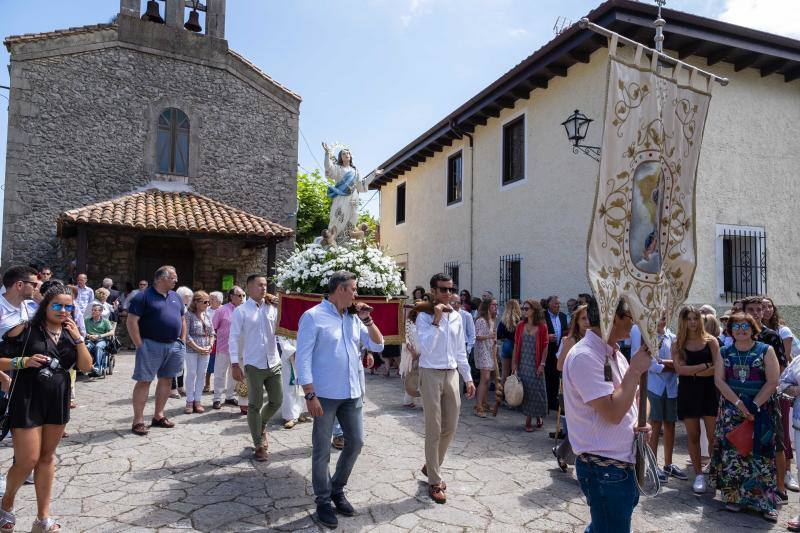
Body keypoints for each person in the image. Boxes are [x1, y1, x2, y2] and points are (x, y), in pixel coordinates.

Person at [0, 283, 92, 532]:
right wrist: (24, 361)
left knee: (47, 458)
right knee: (27, 460)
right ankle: (6, 503)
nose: (63, 310)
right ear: (45, 306)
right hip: (27, 398)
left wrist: (78, 338)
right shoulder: (26, 330)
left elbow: (85, 366)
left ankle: (43, 519)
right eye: (58, 305)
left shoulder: (70, 333)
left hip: (57, 400)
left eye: (68, 307)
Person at [295, 271, 384, 528]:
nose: (356, 295)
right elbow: (303, 359)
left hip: (353, 392)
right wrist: (309, 394)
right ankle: (323, 500)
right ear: (340, 289)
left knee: (355, 443)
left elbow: (378, 345)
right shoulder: (313, 317)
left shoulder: (355, 318)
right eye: (353, 289)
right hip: (324, 394)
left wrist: (367, 320)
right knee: (322, 449)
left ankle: (337, 488)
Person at [562, 297, 651, 533]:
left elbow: (640, 398)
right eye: (631, 317)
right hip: (604, 468)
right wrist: (635, 370)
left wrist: (644, 422)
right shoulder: (585, 356)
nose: (634, 323)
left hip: (622, 463)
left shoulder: (616, 354)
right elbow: (612, 413)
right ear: (613, 317)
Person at [709, 312, 780, 523]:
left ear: (753, 328)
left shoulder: (766, 350)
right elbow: (719, 381)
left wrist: (754, 405)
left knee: (762, 454)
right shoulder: (724, 351)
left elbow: (773, 381)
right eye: (736, 326)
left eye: (745, 326)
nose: (741, 330)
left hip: (761, 410)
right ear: (730, 330)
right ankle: (735, 498)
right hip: (732, 411)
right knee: (734, 455)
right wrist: (739, 405)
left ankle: (766, 504)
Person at [415, 273, 475, 504]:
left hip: (451, 374)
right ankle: (434, 481)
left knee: (451, 426)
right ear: (433, 291)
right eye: (442, 289)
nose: (448, 294)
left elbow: (460, 350)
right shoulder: (422, 315)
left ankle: (431, 466)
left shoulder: (458, 317)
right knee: (434, 427)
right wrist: (436, 320)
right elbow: (426, 348)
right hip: (430, 373)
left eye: (451, 289)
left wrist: (468, 378)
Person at [126, 266, 186, 436]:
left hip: (174, 345)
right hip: (150, 344)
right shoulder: (143, 296)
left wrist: (181, 340)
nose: (176, 280)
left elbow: (182, 319)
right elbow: (131, 322)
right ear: (161, 278)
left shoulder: (176, 297)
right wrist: (139, 344)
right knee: (144, 381)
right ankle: (138, 420)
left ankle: (158, 416)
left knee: (167, 380)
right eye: (173, 277)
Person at [228, 274, 282, 461]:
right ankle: (258, 444)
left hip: (274, 361)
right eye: (260, 285)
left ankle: (261, 425)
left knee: (277, 400)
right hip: (254, 364)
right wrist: (235, 363)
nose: (264, 288)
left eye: (265, 285)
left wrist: (279, 305)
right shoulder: (241, 311)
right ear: (249, 288)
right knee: (254, 404)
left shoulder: (273, 307)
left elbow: (284, 326)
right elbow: (233, 338)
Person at [743, 296, 790, 502]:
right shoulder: (740, 333)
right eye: (751, 309)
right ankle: (749, 488)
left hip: (768, 398)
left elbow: (780, 368)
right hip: (743, 399)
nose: (755, 312)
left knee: (775, 443)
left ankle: (780, 487)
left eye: (759, 309)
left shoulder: (771, 336)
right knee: (744, 442)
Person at [632, 316, 687, 483]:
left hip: (670, 387)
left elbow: (680, 363)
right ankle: (652, 464)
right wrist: (670, 366)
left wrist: (668, 365)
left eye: (663, 318)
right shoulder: (646, 337)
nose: (660, 321)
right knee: (655, 424)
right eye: (658, 317)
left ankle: (669, 463)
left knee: (670, 424)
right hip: (654, 387)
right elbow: (651, 364)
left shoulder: (672, 337)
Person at [671, 305, 719, 494]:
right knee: (693, 435)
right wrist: (704, 366)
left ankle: (715, 472)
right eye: (688, 319)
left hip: (709, 391)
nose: (692, 322)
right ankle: (698, 474)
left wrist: (694, 371)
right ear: (683, 321)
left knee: (713, 435)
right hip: (688, 392)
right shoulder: (678, 343)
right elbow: (680, 370)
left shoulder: (711, 341)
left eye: (695, 318)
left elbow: (717, 368)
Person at [763, 296, 800, 493]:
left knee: (783, 433)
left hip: (778, 385)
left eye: (769, 306)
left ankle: (788, 473)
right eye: (763, 307)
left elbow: (784, 359)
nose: (766, 310)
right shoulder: (755, 331)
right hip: (768, 386)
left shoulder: (782, 331)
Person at [553, 304, 589, 471]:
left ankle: (561, 451)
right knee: (580, 428)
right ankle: (570, 456)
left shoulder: (593, 339)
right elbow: (560, 366)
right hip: (572, 391)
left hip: (587, 389)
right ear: (576, 321)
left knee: (583, 427)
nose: (587, 322)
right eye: (583, 318)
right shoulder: (572, 340)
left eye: (589, 318)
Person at [512, 299, 549, 431]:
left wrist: (542, 364)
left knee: (537, 391)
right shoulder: (520, 325)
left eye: (526, 308)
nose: (524, 311)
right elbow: (516, 344)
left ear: (534, 310)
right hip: (523, 363)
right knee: (526, 391)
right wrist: (514, 363)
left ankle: (537, 415)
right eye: (523, 308)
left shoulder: (542, 327)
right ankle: (528, 421)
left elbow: (545, 346)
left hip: (536, 363)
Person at [211, 287, 244, 411]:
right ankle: (217, 398)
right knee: (220, 373)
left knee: (233, 374)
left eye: (243, 295)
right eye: (239, 295)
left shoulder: (244, 310)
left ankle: (230, 396)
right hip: (224, 347)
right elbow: (213, 326)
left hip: (239, 348)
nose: (242, 298)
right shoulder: (222, 310)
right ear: (231, 296)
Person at [183, 291, 214, 414]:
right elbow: (186, 335)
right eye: (205, 302)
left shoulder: (207, 315)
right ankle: (189, 401)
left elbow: (212, 333)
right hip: (192, 350)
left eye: (209, 302)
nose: (208, 304)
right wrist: (198, 348)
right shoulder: (188, 315)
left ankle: (198, 400)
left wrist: (211, 344)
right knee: (191, 374)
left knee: (201, 374)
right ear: (196, 302)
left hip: (205, 350)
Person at [279, 337, 311, 429]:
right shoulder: (283, 322)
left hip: (303, 357)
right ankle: (290, 417)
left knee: (302, 385)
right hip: (289, 359)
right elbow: (281, 339)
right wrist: (293, 352)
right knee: (290, 388)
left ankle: (299, 412)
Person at [472, 298, 497, 418]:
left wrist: (493, 339)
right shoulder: (481, 320)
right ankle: (478, 405)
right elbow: (476, 336)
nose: (496, 307)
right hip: (482, 351)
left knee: (488, 379)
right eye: (493, 305)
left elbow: (492, 335)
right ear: (488, 306)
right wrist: (489, 336)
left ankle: (484, 402)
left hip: (489, 350)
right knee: (485, 378)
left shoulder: (492, 320)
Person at [544, 296, 569, 412]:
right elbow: (539, 331)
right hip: (547, 351)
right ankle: (547, 401)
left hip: (559, 351)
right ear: (549, 304)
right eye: (555, 304)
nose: (558, 306)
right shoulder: (544, 316)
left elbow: (566, 331)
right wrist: (547, 337)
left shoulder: (563, 317)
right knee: (547, 376)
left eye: (559, 304)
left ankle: (553, 401)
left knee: (556, 376)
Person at [84, 303, 114, 377]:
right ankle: (86, 366)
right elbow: (81, 330)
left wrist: (99, 336)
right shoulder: (87, 320)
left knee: (98, 347)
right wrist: (88, 335)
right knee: (85, 347)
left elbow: (111, 332)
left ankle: (97, 368)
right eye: (92, 310)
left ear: (100, 312)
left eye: (95, 310)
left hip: (101, 340)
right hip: (89, 339)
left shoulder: (105, 321)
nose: (93, 312)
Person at [400, 305, 421, 408]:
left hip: (423, 353)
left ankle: (423, 401)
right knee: (411, 376)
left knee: (423, 377)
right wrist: (413, 352)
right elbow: (406, 337)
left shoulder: (426, 321)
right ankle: (408, 400)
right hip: (411, 353)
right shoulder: (409, 322)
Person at [497, 299, 521, 387]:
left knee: (504, 373)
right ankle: (513, 395)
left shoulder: (503, 320)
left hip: (506, 344)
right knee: (515, 372)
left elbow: (498, 335)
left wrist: (504, 338)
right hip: (517, 346)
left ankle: (502, 394)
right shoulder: (520, 320)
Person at [204, 291, 223, 394]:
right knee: (209, 362)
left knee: (220, 363)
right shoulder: (206, 310)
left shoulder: (224, 309)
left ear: (219, 301)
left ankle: (218, 386)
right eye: (209, 299)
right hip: (209, 338)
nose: (209, 301)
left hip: (221, 339)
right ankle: (207, 384)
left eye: (212, 299)